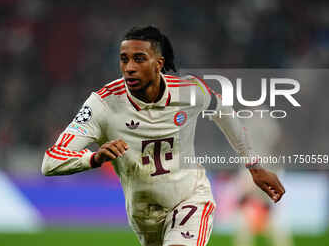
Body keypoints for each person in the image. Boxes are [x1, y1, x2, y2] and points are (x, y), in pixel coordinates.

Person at [41, 26, 285, 246]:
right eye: (124, 59)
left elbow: (225, 113)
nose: (129, 67)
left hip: (190, 200)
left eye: (139, 59)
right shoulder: (102, 105)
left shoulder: (189, 91)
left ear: (158, 64)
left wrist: (254, 165)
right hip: (144, 216)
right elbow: (50, 162)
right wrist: (93, 159)